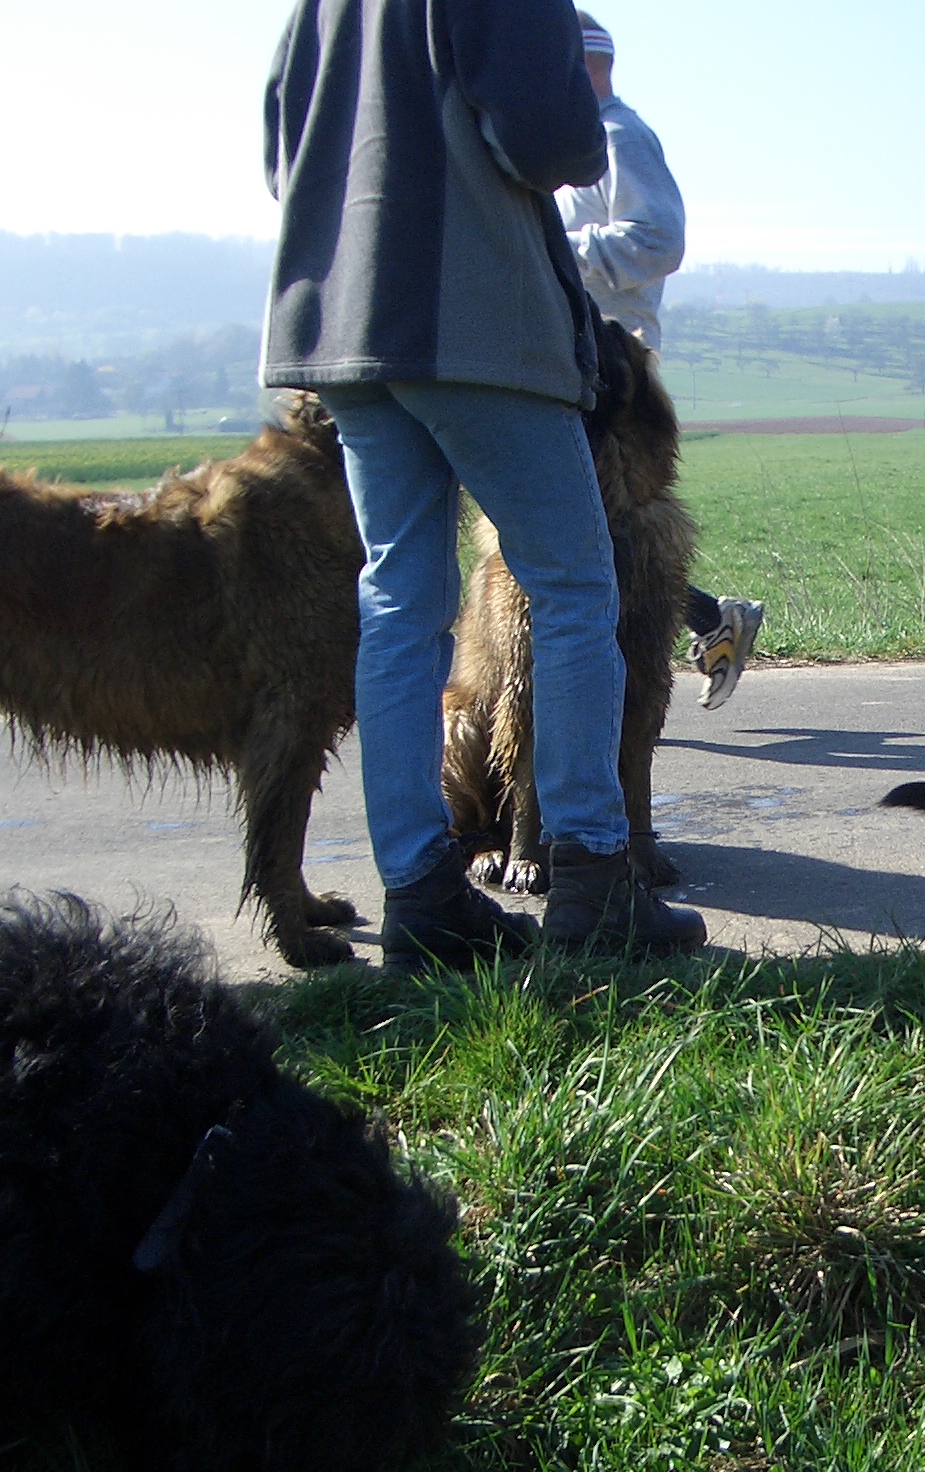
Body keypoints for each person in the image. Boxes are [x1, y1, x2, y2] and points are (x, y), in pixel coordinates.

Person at [262, 0, 705, 971]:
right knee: (576, 587)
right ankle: (594, 884)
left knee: (399, 604)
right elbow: (551, 135)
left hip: (344, 323)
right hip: (477, 320)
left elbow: (281, 148)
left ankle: (420, 895)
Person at [559, 11, 767, 711]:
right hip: (580, 353)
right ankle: (708, 622)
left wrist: (553, 251)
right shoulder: (581, 141)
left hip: (610, 364)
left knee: (598, 525)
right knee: (594, 526)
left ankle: (629, 670)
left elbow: (659, 237)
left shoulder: (618, 136)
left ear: (577, 62)